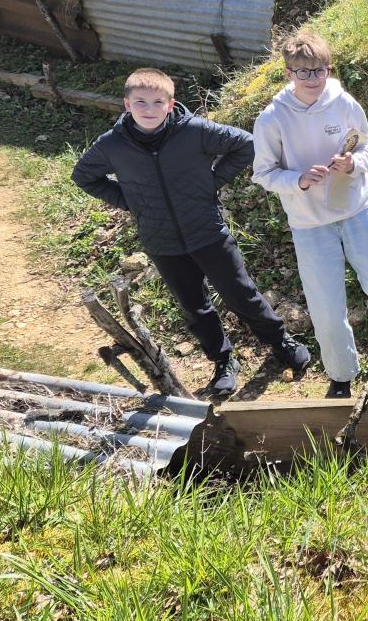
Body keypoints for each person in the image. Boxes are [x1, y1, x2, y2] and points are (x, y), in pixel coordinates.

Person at [72, 68, 310, 397]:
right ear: (127, 104)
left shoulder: (194, 131)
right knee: (195, 307)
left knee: (240, 294)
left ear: (171, 105)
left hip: (207, 231)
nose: (149, 108)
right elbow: (84, 176)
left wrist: (209, 184)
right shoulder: (113, 145)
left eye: (157, 102)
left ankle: (281, 343)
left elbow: (245, 145)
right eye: (140, 102)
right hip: (162, 241)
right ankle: (223, 362)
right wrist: (131, 202)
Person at [251, 28, 368, 399]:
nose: (312, 79)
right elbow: (263, 173)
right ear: (288, 72)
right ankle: (340, 374)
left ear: (328, 68)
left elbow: (367, 146)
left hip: (357, 211)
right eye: (302, 71)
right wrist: (300, 180)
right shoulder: (272, 118)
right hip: (309, 224)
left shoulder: (345, 102)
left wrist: (353, 164)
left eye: (318, 70)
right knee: (325, 303)